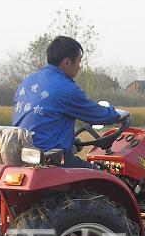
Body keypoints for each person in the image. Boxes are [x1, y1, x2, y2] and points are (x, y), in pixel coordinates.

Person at [12, 36, 122, 169]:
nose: (79, 67)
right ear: (67, 62)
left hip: (23, 158)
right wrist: (117, 114)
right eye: (79, 62)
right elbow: (99, 114)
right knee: (103, 175)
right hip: (51, 161)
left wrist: (71, 140)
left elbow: (43, 122)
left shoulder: (26, 83)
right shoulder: (65, 88)